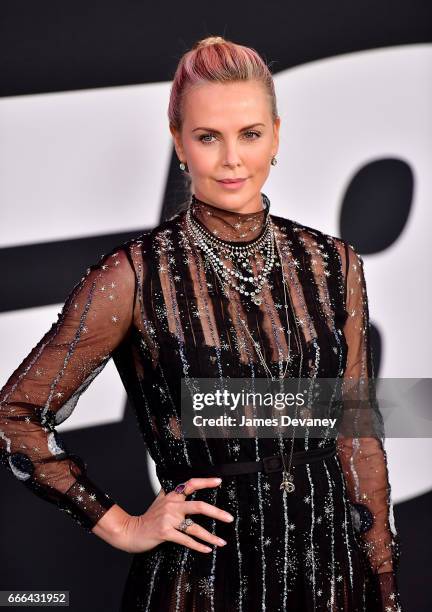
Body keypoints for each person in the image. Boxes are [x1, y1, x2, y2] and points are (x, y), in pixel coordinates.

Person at [0, 36, 402, 611]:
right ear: (179, 144)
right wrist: (122, 525)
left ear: (277, 135)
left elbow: (357, 430)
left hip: (331, 575)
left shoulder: (332, 261)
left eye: (251, 134)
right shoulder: (134, 275)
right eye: (208, 137)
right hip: (208, 580)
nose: (232, 158)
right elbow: (14, 415)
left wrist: (382, 582)